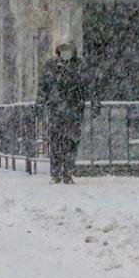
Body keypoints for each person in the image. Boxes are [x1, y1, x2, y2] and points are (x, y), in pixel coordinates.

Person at [38, 42, 96, 184]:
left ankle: (67, 171)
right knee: (56, 141)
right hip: (58, 110)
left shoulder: (79, 65)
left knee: (71, 141)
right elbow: (43, 87)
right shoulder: (52, 65)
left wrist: (94, 102)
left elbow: (89, 85)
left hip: (73, 109)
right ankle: (56, 172)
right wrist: (40, 104)